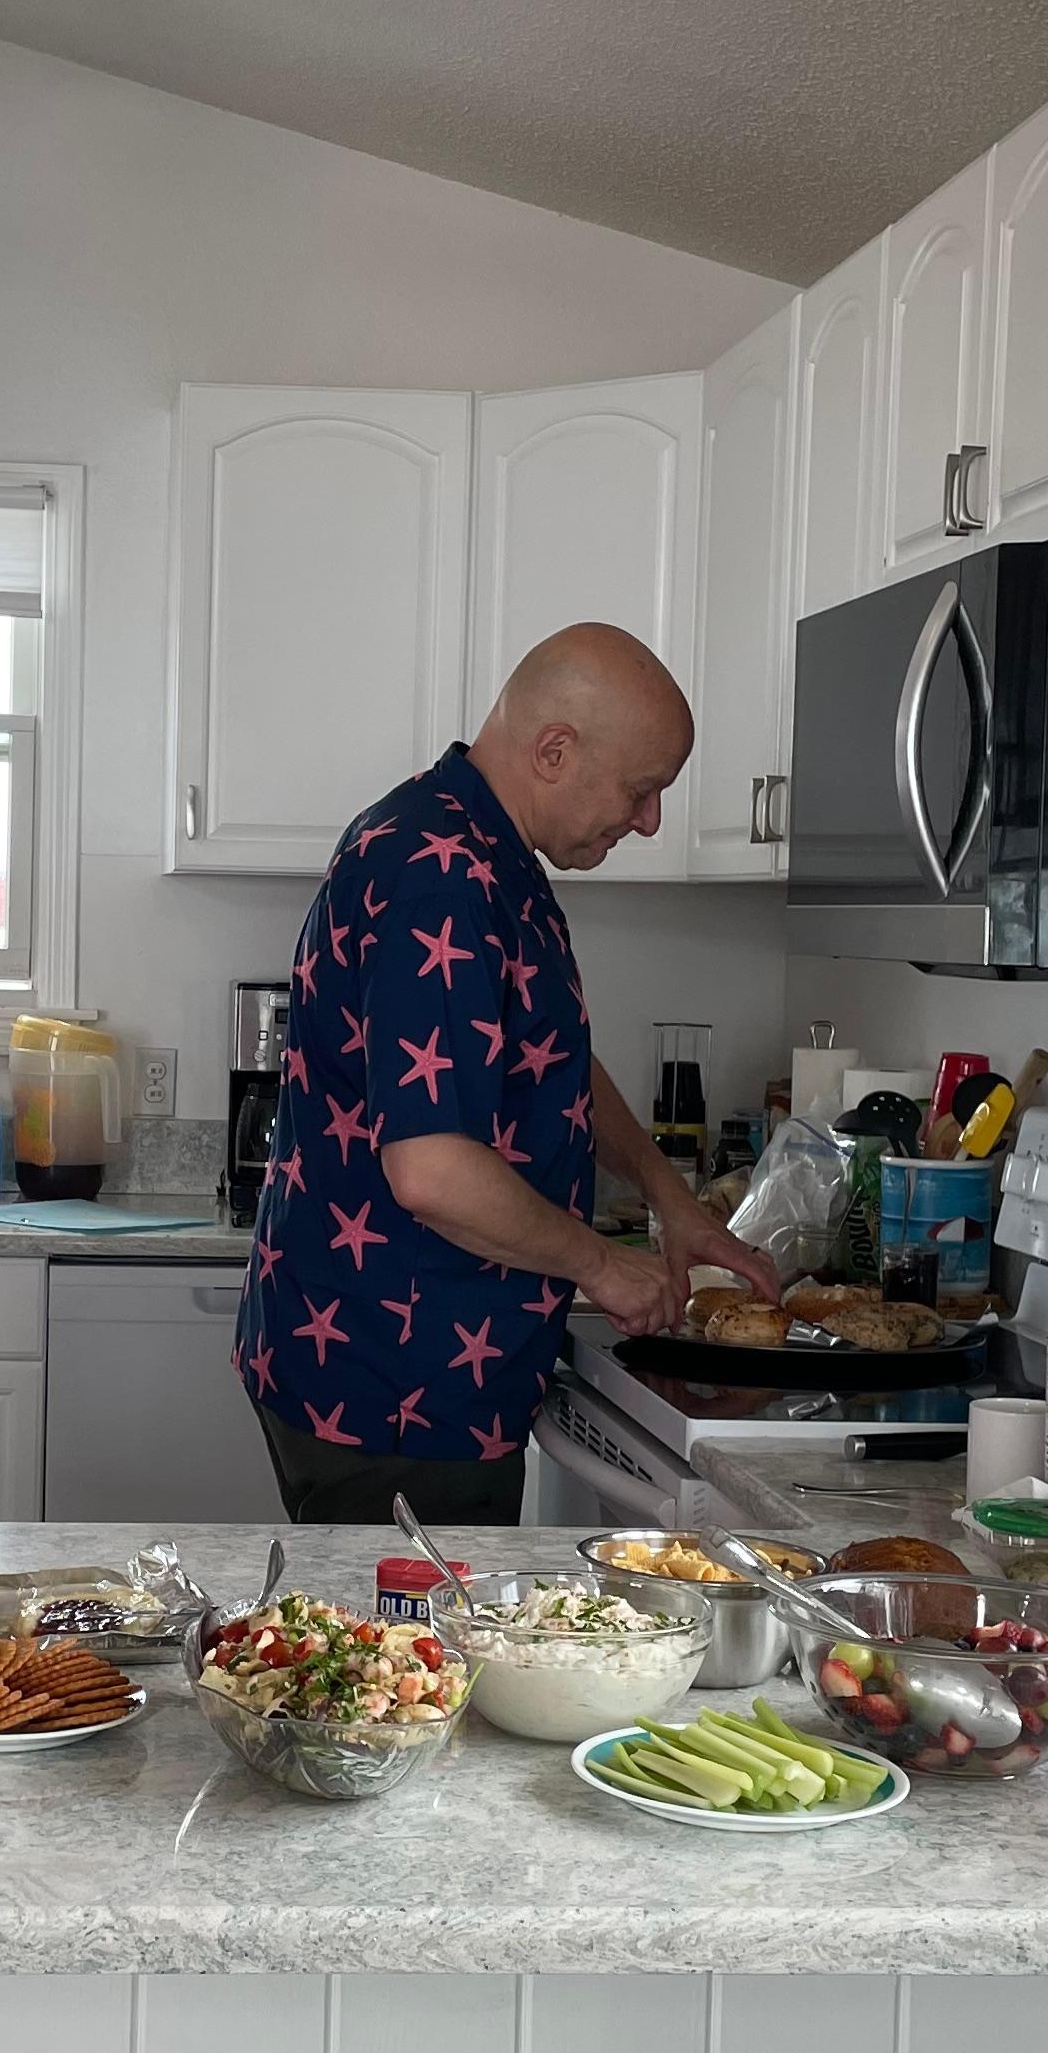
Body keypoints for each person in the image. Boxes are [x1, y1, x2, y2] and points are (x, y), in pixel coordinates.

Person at [233, 624, 779, 1524]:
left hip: (419, 1368)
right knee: (412, 1622)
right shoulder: (440, 878)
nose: (650, 820)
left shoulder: (480, 848)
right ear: (554, 751)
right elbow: (432, 1170)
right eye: (640, 789)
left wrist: (667, 1197)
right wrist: (604, 1266)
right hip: (396, 1389)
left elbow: (546, 1055)